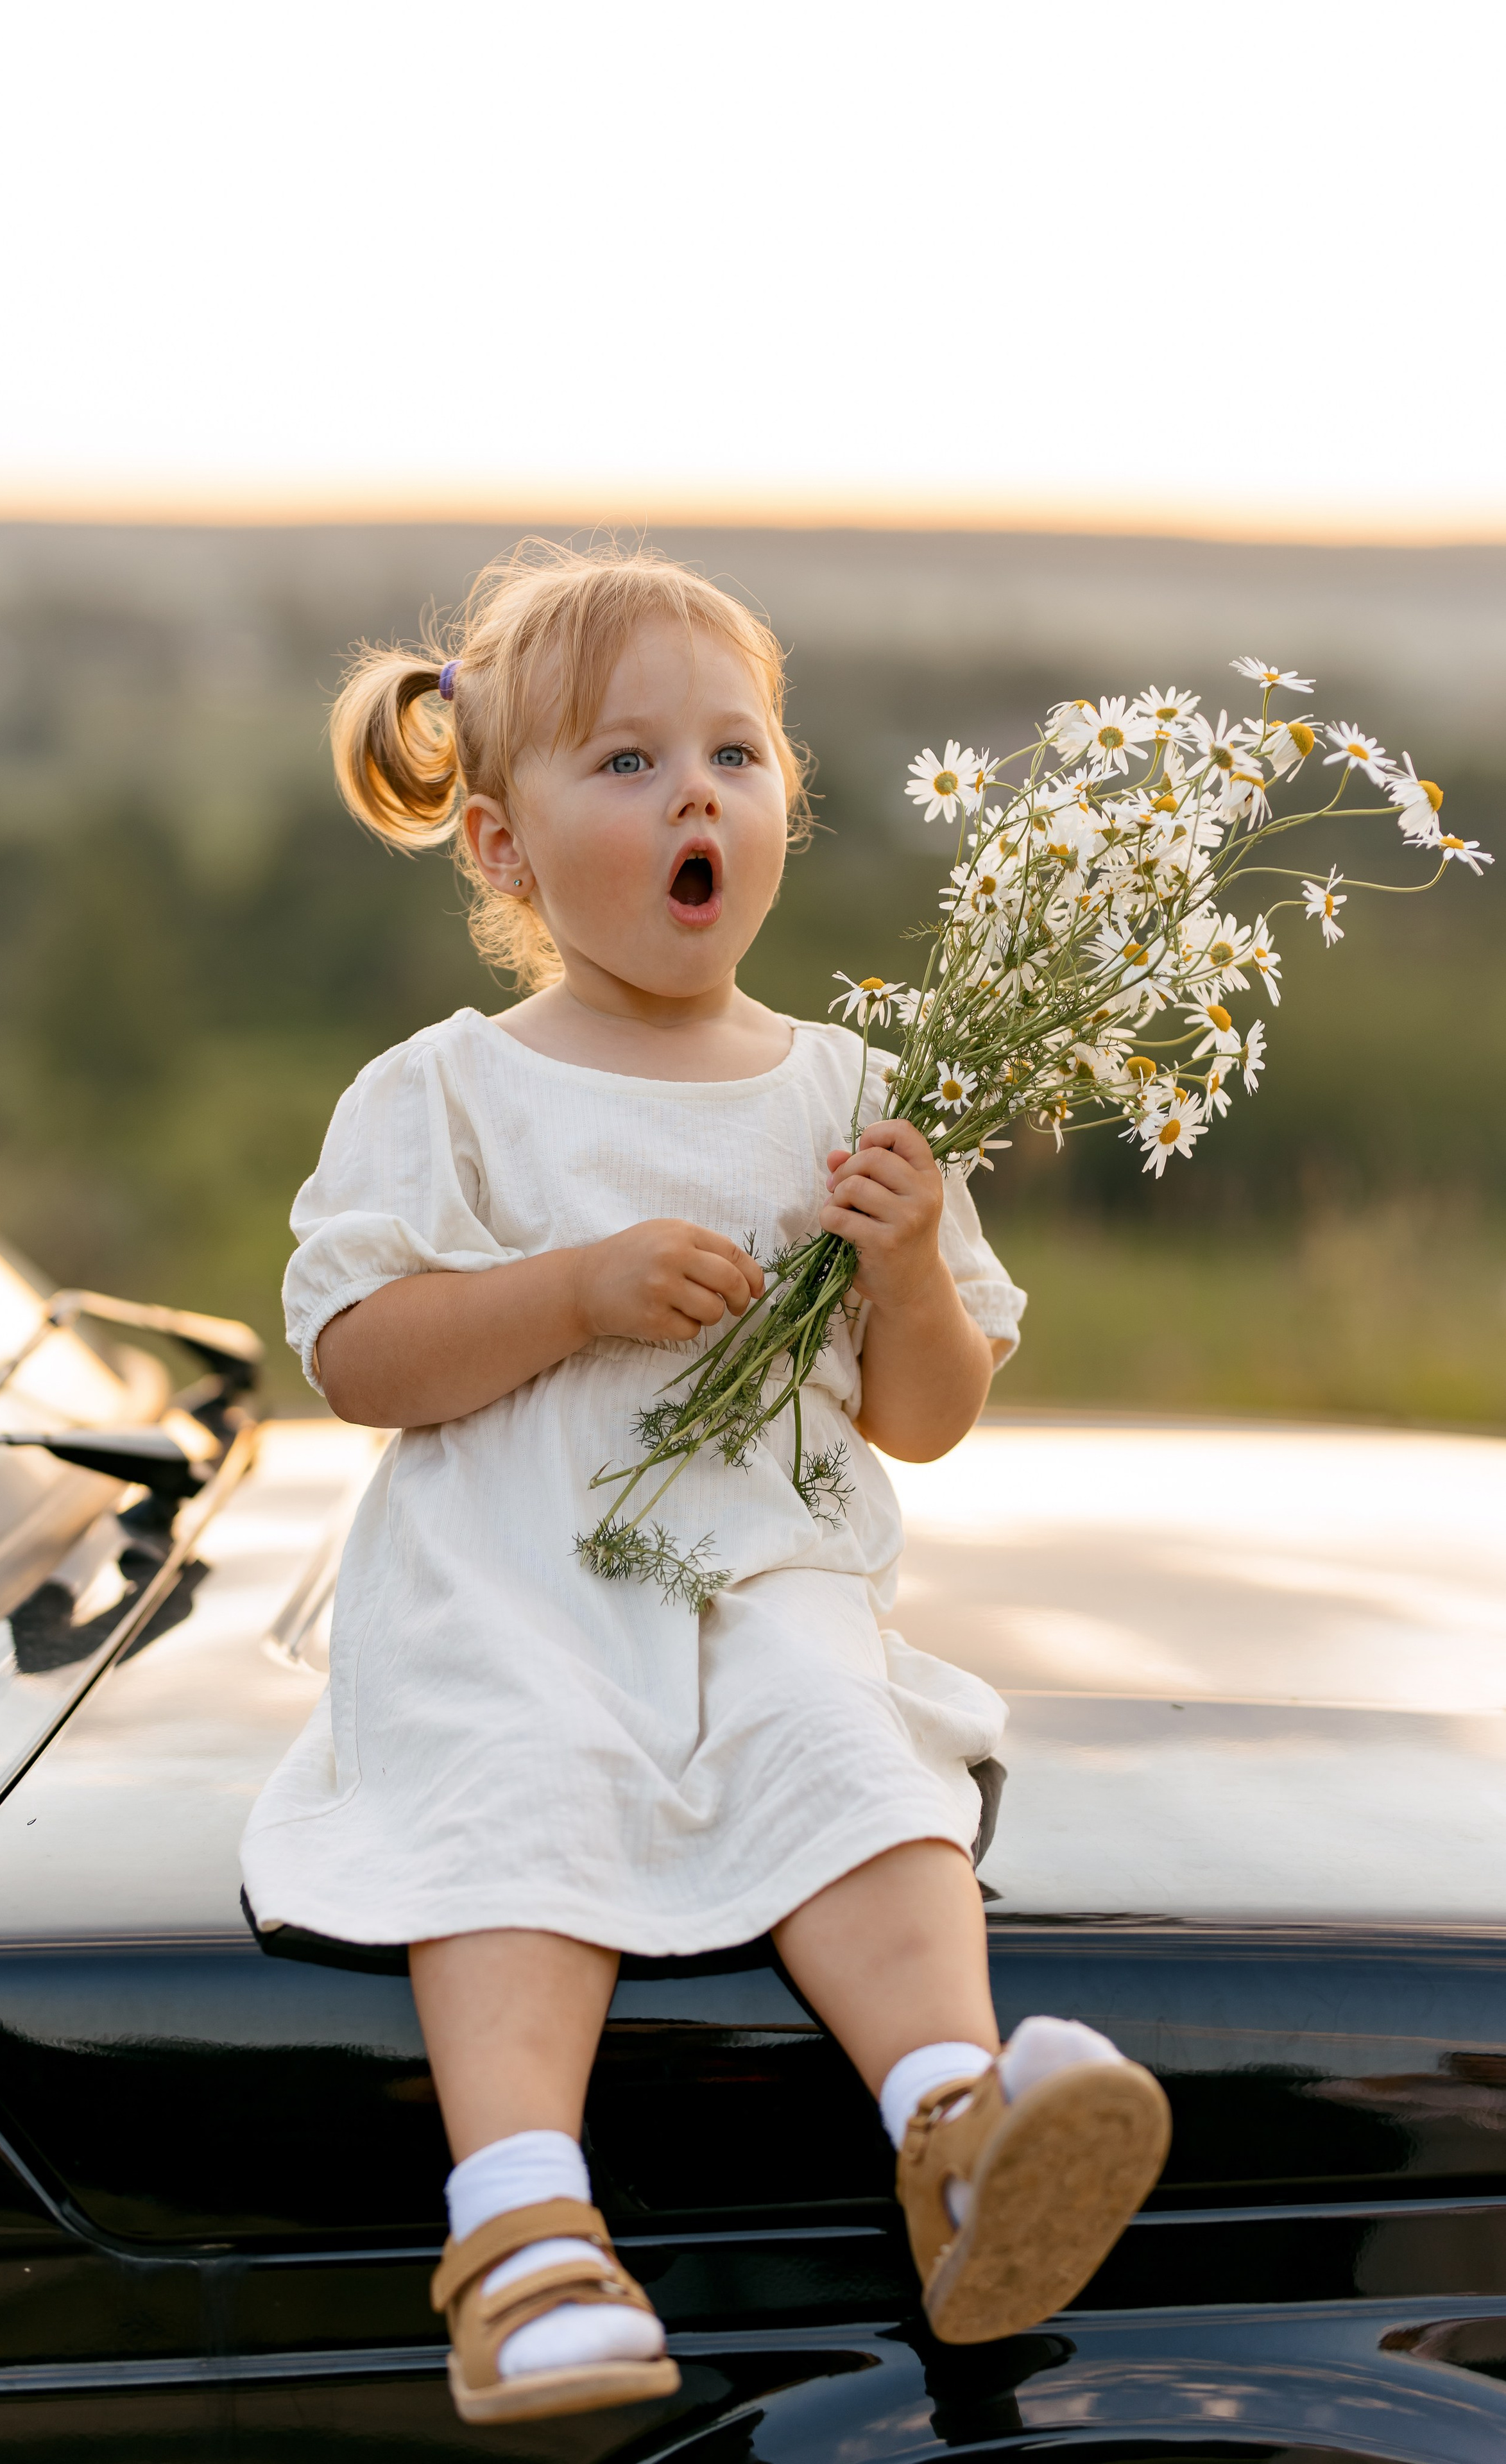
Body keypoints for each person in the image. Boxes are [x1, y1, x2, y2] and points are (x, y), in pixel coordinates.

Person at [241, 542, 1169, 2426]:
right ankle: (523, 2239)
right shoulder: (449, 1093)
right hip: (515, 1580)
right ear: (499, 848)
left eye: (736, 756)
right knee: (517, 1784)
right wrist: (571, 1292)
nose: (698, 797)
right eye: (630, 762)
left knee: (851, 1751)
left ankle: (963, 2131)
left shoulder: (849, 1089)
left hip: (763, 1575)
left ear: (781, 810)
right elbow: (355, 1355)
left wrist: (906, 1268)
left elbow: (924, 1418)